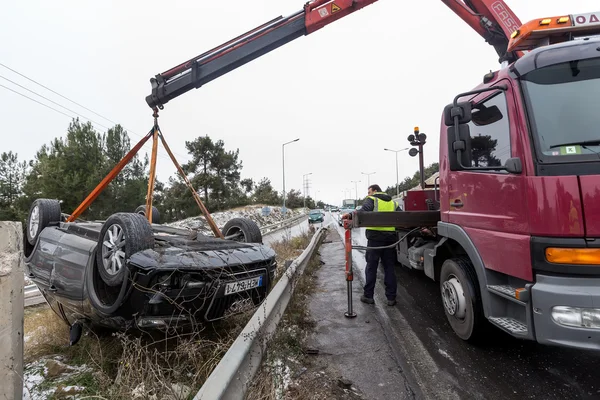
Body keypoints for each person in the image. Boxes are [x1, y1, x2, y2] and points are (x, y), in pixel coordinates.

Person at [342, 184, 401, 306]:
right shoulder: (393, 202)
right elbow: (401, 217)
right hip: (390, 238)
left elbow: (363, 212)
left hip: (375, 238)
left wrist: (350, 215)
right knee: (389, 267)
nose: (368, 194)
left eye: (369, 192)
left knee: (371, 267)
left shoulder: (372, 199)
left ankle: (368, 296)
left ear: (374, 191)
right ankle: (391, 298)